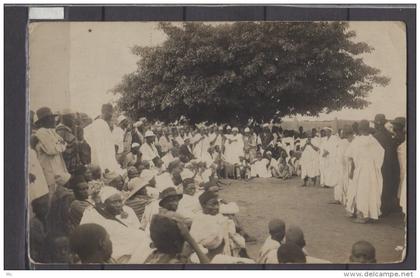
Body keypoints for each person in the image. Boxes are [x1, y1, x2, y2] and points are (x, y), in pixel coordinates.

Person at [80, 186, 149, 262]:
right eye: (114, 202)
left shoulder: (128, 210)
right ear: (104, 204)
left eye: (120, 201)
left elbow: (137, 229)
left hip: (135, 249)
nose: (119, 204)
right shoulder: (93, 215)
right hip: (113, 255)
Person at [346, 120, 385, 223]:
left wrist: (352, 169)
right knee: (371, 191)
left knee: (361, 191)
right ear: (368, 128)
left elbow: (349, 156)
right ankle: (370, 213)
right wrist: (376, 167)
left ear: (359, 129)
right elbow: (381, 154)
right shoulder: (374, 141)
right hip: (372, 170)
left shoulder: (357, 141)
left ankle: (363, 215)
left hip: (361, 170)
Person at [31, 107, 69, 200]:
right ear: (43, 121)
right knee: (52, 201)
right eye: (50, 118)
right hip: (49, 176)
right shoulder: (41, 133)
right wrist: (59, 145)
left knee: (59, 200)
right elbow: (52, 149)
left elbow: (64, 144)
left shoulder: (51, 131)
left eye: (53, 117)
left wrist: (59, 145)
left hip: (57, 175)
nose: (53, 120)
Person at [145, 214, 209, 264]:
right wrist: (191, 241)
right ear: (176, 243)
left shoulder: (153, 255)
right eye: (183, 240)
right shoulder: (174, 262)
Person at [373, 114, 400, 216]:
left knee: (380, 186)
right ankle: (388, 207)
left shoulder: (376, 136)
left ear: (378, 124)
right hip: (390, 164)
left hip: (380, 164)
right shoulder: (390, 135)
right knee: (388, 185)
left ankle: (381, 208)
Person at [84, 104, 121, 174]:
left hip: (106, 160)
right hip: (99, 160)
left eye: (111, 112)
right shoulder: (98, 124)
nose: (111, 115)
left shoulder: (105, 124)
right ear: (104, 112)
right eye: (110, 112)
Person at [56, 109, 83, 175]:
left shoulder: (68, 130)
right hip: (65, 167)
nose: (74, 121)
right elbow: (61, 150)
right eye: (72, 118)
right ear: (65, 118)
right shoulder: (60, 131)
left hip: (71, 167)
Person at [331, 125, 354, 205]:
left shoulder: (344, 142)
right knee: (343, 182)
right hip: (344, 165)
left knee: (343, 182)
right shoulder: (348, 142)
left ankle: (343, 199)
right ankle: (342, 199)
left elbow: (341, 156)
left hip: (343, 165)